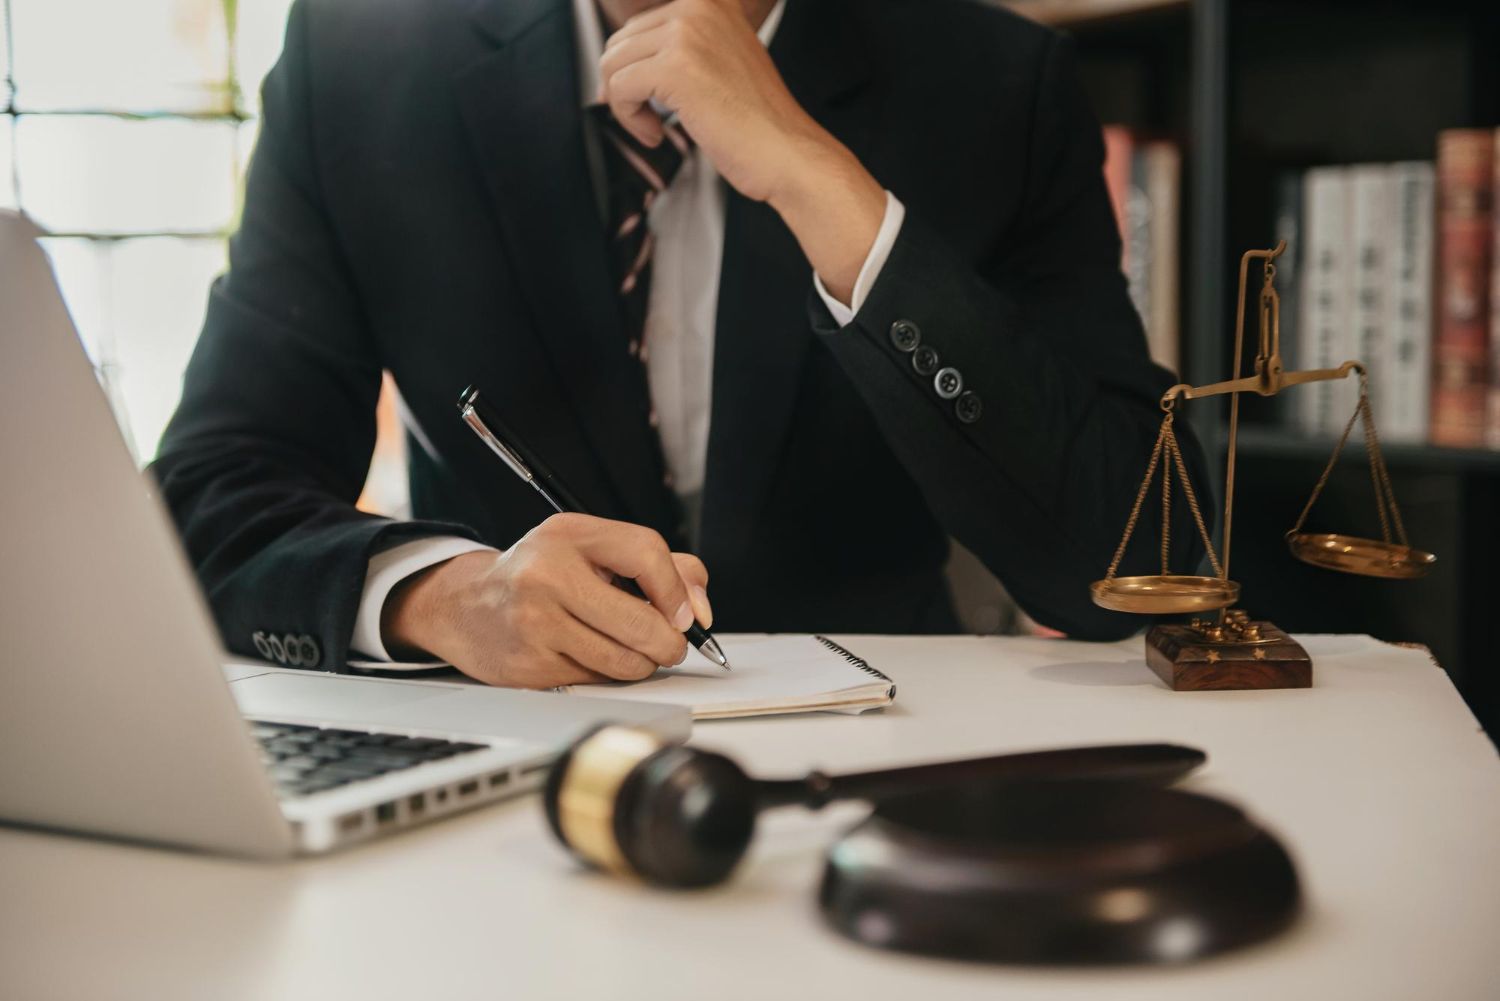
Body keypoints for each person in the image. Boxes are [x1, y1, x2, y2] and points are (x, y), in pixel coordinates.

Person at [151, 0, 1207, 688]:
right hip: (502, 771)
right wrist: (449, 596)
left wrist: (820, 181)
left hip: (889, 764)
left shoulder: (998, 85)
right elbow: (210, 495)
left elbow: (1142, 551)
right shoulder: (356, 66)